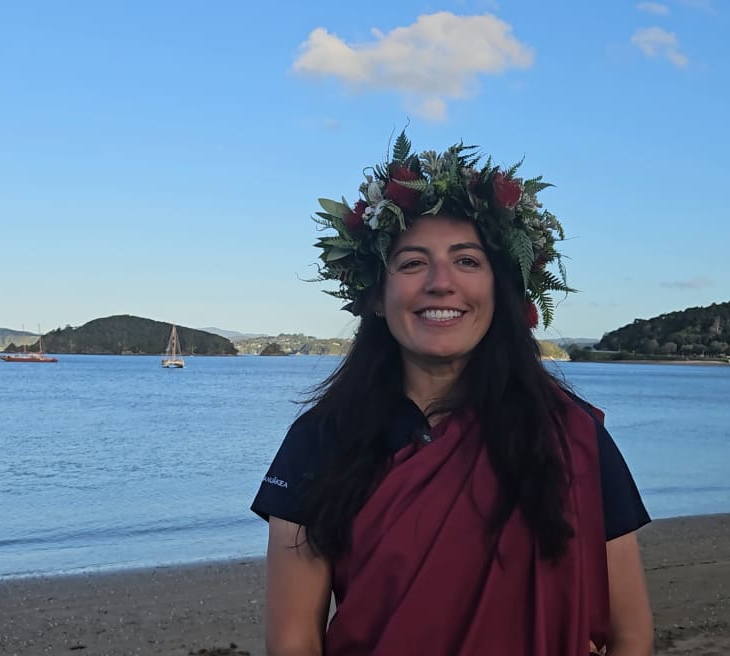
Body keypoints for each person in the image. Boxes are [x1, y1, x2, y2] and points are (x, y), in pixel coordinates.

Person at [251, 132, 654, 655]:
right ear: (376, 297)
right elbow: (292, 643)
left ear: (500, 290)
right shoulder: (321, 439)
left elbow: (632, 637)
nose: (441, 283)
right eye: (413, 262)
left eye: (467, 261)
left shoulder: (574, 437)